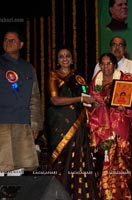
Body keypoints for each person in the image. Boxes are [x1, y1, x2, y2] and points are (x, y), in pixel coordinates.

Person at [0, 29, 43, 176]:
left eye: (12, 40)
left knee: (17, 172)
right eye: (5, 40)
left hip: (23, 125)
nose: (8, 43)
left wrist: (35, 124)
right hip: (0, 125)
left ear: (21, 44)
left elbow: (35, 98)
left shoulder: (29, 68)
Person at [46, 47, 100, 199]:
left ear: (72, 59)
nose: (64, 59)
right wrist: (80, 99)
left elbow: (85, 97)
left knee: (78, 157)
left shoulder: (79, 78)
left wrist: (94, 103)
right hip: (60, 125)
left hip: (78, 124)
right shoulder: (53, 76)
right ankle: (59, 194)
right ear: (57, 60)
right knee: (62, 159)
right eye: (61, 57)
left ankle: (78, 193)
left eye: (67, 56)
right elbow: (54, 100)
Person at [89, 52, 132, 200]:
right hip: (101, 125)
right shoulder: (96, 81)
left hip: (120, 124)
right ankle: (105, 193)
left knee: (122, 156)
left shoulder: (125, 79)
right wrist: (93, 103)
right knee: (103, 159)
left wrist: (125, 107)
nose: (106, 67)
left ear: (114, 65)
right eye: (103, 64)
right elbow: (89, 102)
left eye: (109, 63)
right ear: (99, 65)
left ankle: (123, 193)